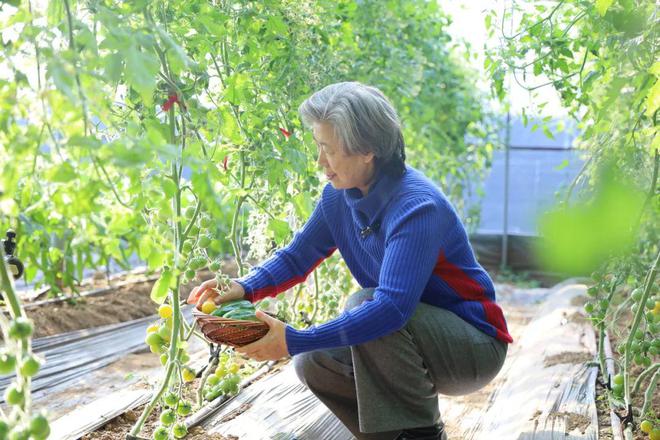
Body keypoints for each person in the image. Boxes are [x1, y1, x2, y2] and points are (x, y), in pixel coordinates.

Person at [188, 82, 512, 440]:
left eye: (327, 149)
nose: (319, 162)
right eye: (317, 147)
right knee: (315, 361)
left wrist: (294, 338)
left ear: (367, 150)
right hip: (413, 340)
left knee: (364, 304)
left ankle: (424, 434)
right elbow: (298, 257)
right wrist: (244, 287)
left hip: (471, 347)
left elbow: (391, 309)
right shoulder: (339, 198)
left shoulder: (416, 207)